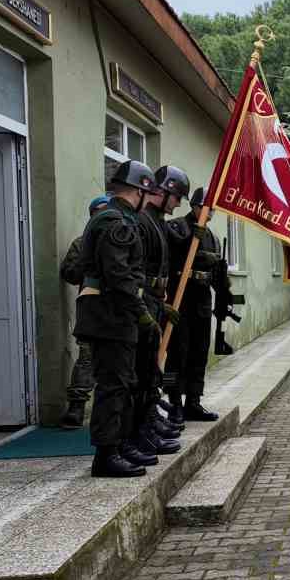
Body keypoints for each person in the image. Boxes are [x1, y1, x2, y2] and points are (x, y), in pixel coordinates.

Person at [76, 163, 158, 477]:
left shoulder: (115, 218)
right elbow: (119, 275)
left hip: (113, 314)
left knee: (122, 383)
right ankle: (106, 456)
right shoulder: (115, 222)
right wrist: (142, 313)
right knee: (114, 385)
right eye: (145, 194)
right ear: (138, 191)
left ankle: (118, 446)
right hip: (110, 316)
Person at [164, 183, 226, 422]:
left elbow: (217, 271)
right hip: (180, 298)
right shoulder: (178, 226)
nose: (210, 213)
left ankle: (193, 401)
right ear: (197, 205)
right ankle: (174, 402)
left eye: (213, 210)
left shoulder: (211, 235)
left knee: (199, 353)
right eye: (208, 208)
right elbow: (172, 253)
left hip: (201, 301)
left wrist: (223, 295)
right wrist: (193, 240)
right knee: (177, 353)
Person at [132, 169, 181, 459]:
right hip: (143, 301)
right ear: (162, 192)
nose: (177, 205)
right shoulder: (142, 221)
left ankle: (149, 423)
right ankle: (142, 429)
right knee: (143, 370)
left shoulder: (157, 222)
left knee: (151, 368)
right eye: (176, 198)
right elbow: (136, 271)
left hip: (154, 300)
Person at [58, 194, 112, 428]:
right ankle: (77, 407)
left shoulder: (120, 238)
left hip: (117, 309)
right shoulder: (81, 244)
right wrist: (86, 258)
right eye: (97, 212)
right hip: (91, 308)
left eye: (105, 211)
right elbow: (69, 274)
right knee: (87, 358)